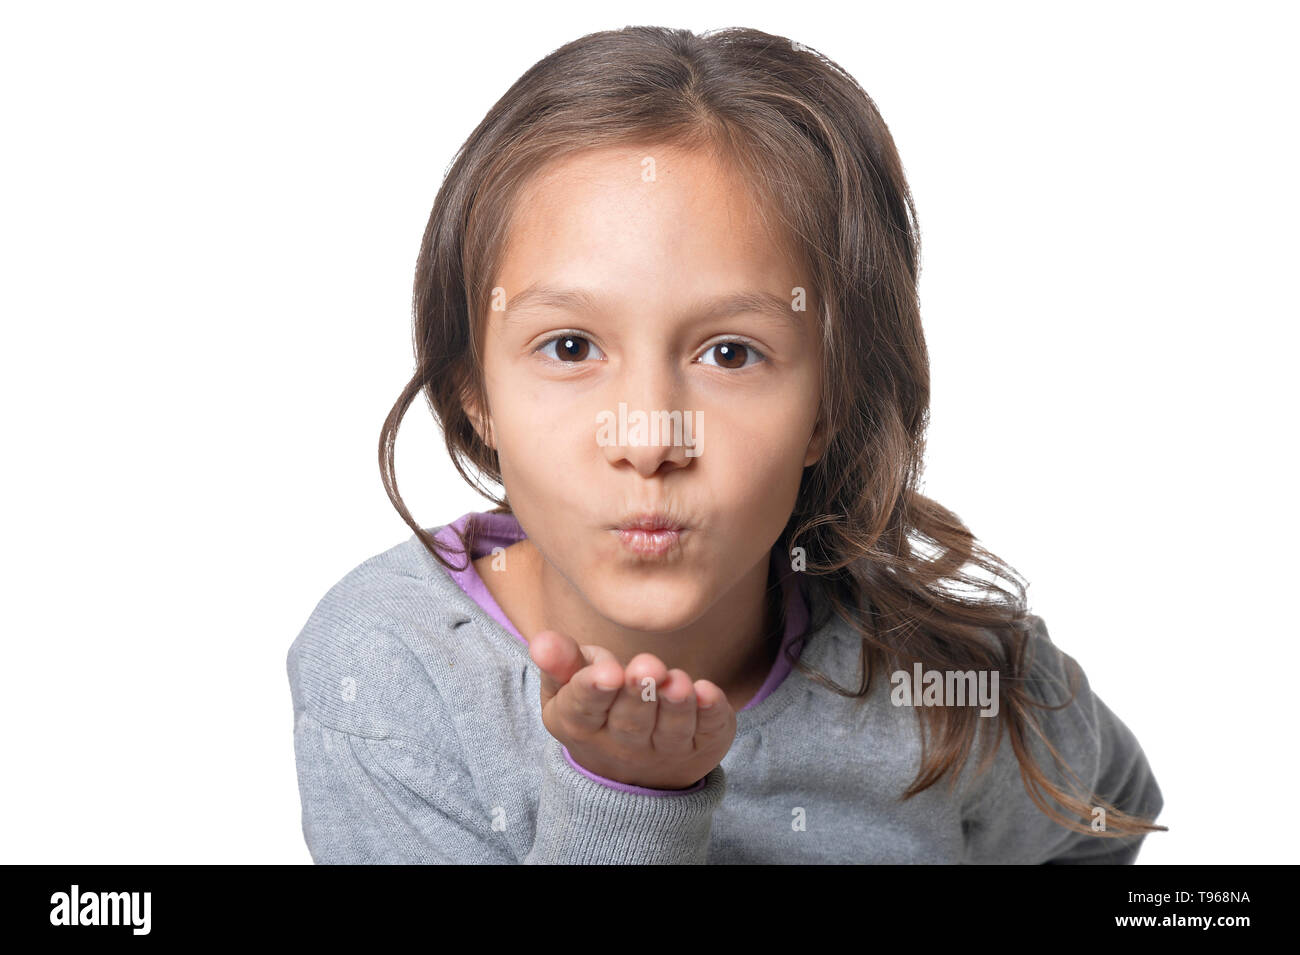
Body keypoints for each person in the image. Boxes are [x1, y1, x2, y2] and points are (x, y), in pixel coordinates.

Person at [286, 25, 1165, 864]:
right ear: (473, 388)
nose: (648, 438)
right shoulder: (389, 668)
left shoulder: (944, 688)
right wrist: (626, 795)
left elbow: (1109, 814)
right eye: (570, 347)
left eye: (731, 354)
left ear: (829, 402)